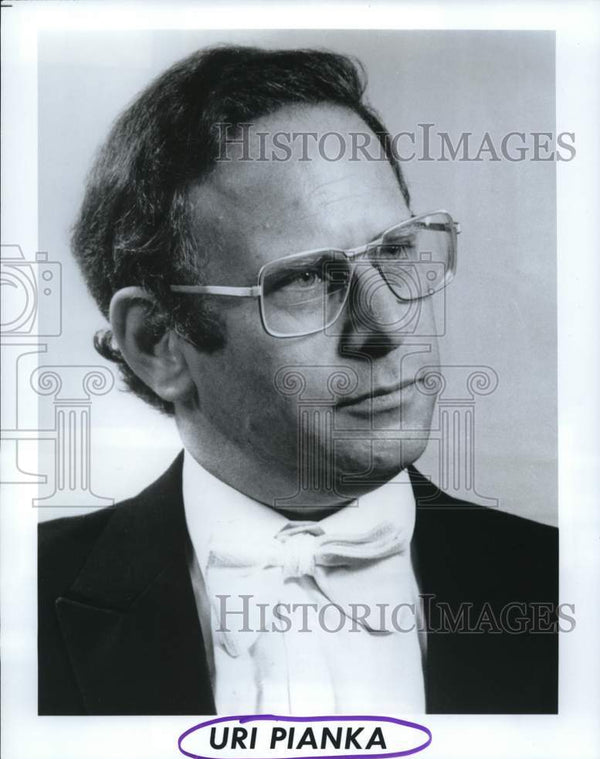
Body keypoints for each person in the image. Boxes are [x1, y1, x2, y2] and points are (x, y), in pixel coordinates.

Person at [38, 45, 558, 716]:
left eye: (396, 250)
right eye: (307, 278)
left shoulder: (566, 585)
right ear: (158, 342)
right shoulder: (19, 604)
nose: (390, 324)